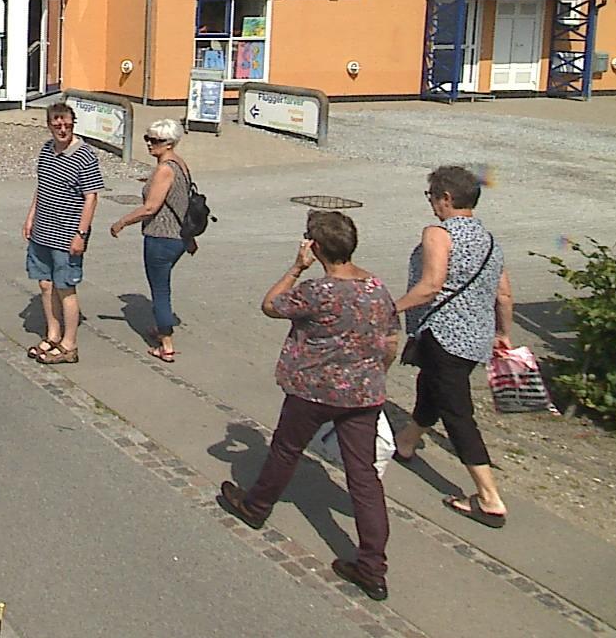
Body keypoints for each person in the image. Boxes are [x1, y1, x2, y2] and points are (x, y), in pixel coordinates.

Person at [217, 210, 398, 602]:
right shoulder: (377, 289)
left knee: (286, 448)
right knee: (363, 476)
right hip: (363, 393)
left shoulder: (317, 290)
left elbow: (270, 305)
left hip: (313, 389)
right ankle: (372, 566)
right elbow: (390, 343)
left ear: (314, 247)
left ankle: (256, 506)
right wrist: (373, 374)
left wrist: (296, 267)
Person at [391, 165, 513, 528]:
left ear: (446, 198)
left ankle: (489, 498)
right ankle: (406, 443)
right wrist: (503, 333)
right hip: (475, 339)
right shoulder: (489, 241)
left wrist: (389, 309)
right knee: (432, 388)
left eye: (431, 196)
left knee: (457, 413)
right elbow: (504, 294)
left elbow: (431, 286)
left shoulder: (438, 234)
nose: (430, 203)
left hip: (444, 336)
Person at [23, 103, 105, 364]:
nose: (62, 129)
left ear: (73, 123)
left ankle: (69, 345)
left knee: (65, 288)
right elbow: (42, 187)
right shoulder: (46, 151)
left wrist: (81, 234)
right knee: (45, 284)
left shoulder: (85, 155)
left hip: (67, 234)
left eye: (67, 124)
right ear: (49, 125)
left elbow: (91, 198)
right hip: (42, 231)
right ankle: (53, 334)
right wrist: (31, 217)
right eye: (57, 124)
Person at [109, 118, 195, 362]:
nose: (149, 144)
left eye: (155, 140)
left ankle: (166, 344)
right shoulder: (180, 164)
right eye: (148, 138)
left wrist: (122, 222)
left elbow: (150, 208)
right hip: (178, 237)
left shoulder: (165, 169)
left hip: (161, 237)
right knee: (162, 286)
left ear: (169, 143)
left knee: (160, 290)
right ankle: (161, 327)